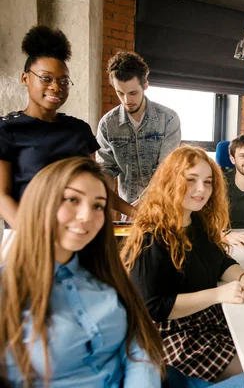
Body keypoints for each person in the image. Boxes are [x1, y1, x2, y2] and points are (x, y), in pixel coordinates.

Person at [0, 157, 164, 386]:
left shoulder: (106, 274)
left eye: (98, 205)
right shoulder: (7, 288)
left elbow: (140, 348)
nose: (86, 216)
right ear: (40, 202)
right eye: (72, 200)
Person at [121, 146, 244, 383]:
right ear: (171, 181)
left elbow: (221, 262)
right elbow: (153, 308)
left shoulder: (197, 222)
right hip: (175, 335)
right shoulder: (151, 236)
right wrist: (218, 294)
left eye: (208, 181)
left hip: (206, 321)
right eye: (191, 180)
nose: (201, 189)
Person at [0, 26, 134, 229]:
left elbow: (96, 188)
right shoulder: (8, 130)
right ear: (25, 78)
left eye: (63, 81)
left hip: (77, 235)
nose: (56, 86)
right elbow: (2, 196)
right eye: (46, 78)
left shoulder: (79, 130)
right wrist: (32, 237)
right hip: (28, 240)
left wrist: (138, 213)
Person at [96, 51, 181, 206]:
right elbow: (106, 169)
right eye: (120, 93)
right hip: (126, 210)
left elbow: (166, 169)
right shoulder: (107, 124)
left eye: (133, 93)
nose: (127, 100)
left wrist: (143, 201)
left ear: (145, 85)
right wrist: (107, 203)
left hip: (163, 206)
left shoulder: (168, 119)